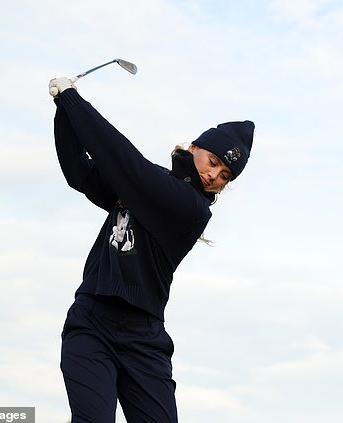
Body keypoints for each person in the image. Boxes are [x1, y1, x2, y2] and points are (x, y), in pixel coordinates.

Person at [48, 77, 254, 422]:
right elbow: (80, 173)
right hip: (91, 322)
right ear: (194, 149)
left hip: (143, 340)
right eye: (213, 161)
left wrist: (72, 101)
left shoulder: (193, 211)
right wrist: (62, 113)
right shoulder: (147, 182)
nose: (214, 175)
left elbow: (124, 163)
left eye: (225, 175)